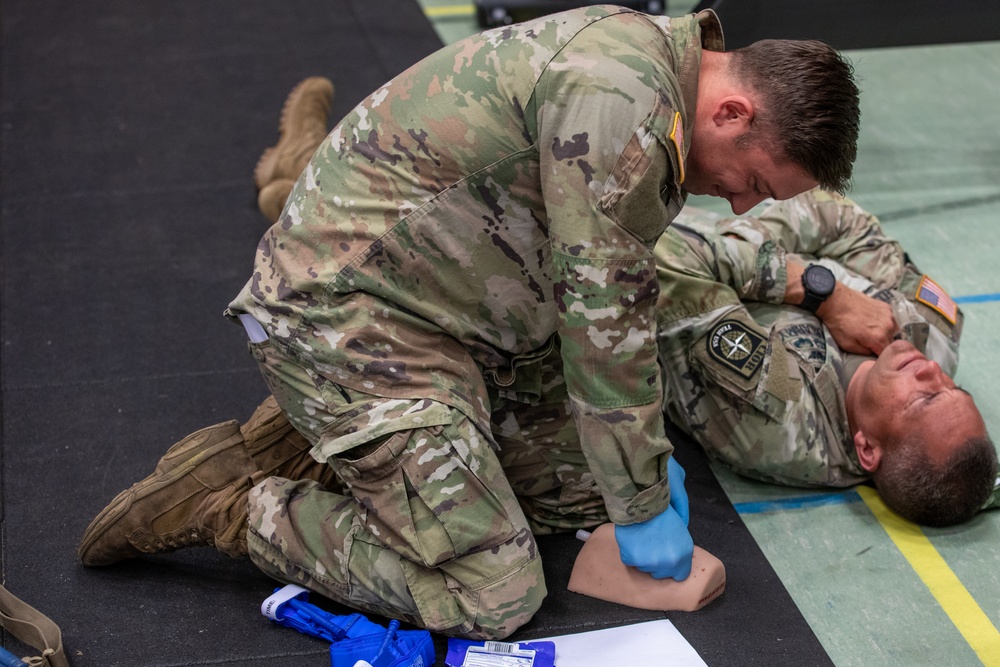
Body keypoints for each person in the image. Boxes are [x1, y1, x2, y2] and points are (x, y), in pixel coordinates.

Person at [77, 6, 863, 640]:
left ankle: (335, 449)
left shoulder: (652, 74)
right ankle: (234, 504)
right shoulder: (624, 103)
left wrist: (635, 475)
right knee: (494, 591)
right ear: (733, 110)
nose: (742, 204)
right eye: (755, 181)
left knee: (591, 485)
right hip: (346, 318)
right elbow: (602, 328)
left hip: (438, 309)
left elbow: (610, 289)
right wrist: (644, 499)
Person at [654, 189, 998, 527]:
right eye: (954, 386)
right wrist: (744, 242)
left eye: (923, 399)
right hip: (689, 209)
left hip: (620, 238)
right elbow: (834, 210)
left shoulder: (776, 415)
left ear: (866, 449)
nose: (933, 369)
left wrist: (822, 292)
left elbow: (664, 258)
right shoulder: (934, 332)